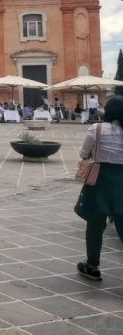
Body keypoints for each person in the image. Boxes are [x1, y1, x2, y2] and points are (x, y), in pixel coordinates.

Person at [74, 96, 123, 282]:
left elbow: (83, 153)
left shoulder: (97, 129)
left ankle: (92, 266)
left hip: (100, 180)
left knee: (95, 225)